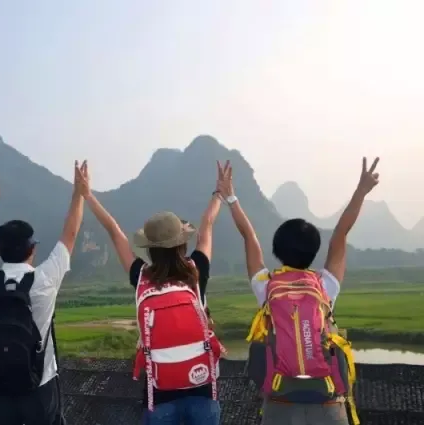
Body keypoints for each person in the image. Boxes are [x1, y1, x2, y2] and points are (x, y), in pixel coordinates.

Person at [218, 157, 380, 425]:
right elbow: (341, 233)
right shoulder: (325, 286)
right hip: (327, 403)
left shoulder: (267, 287)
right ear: (314, 251)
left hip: (280, 402)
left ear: (277, 251)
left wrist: (231, 198)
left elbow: (249, 236)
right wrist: (361, 191)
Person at [74, 160, 224, 425]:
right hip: (202, 393)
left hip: (160, 396)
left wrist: (87, 195)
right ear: (182, 243)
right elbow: (207, 225)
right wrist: (220, 193)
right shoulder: (196, 271)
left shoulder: (141, 276)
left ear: (150, 248)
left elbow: (114, 232)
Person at [0, 163, 85, 425]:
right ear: (32, 249)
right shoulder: (45, 279)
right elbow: (71, 231)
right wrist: (79, 193)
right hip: (40, 385)